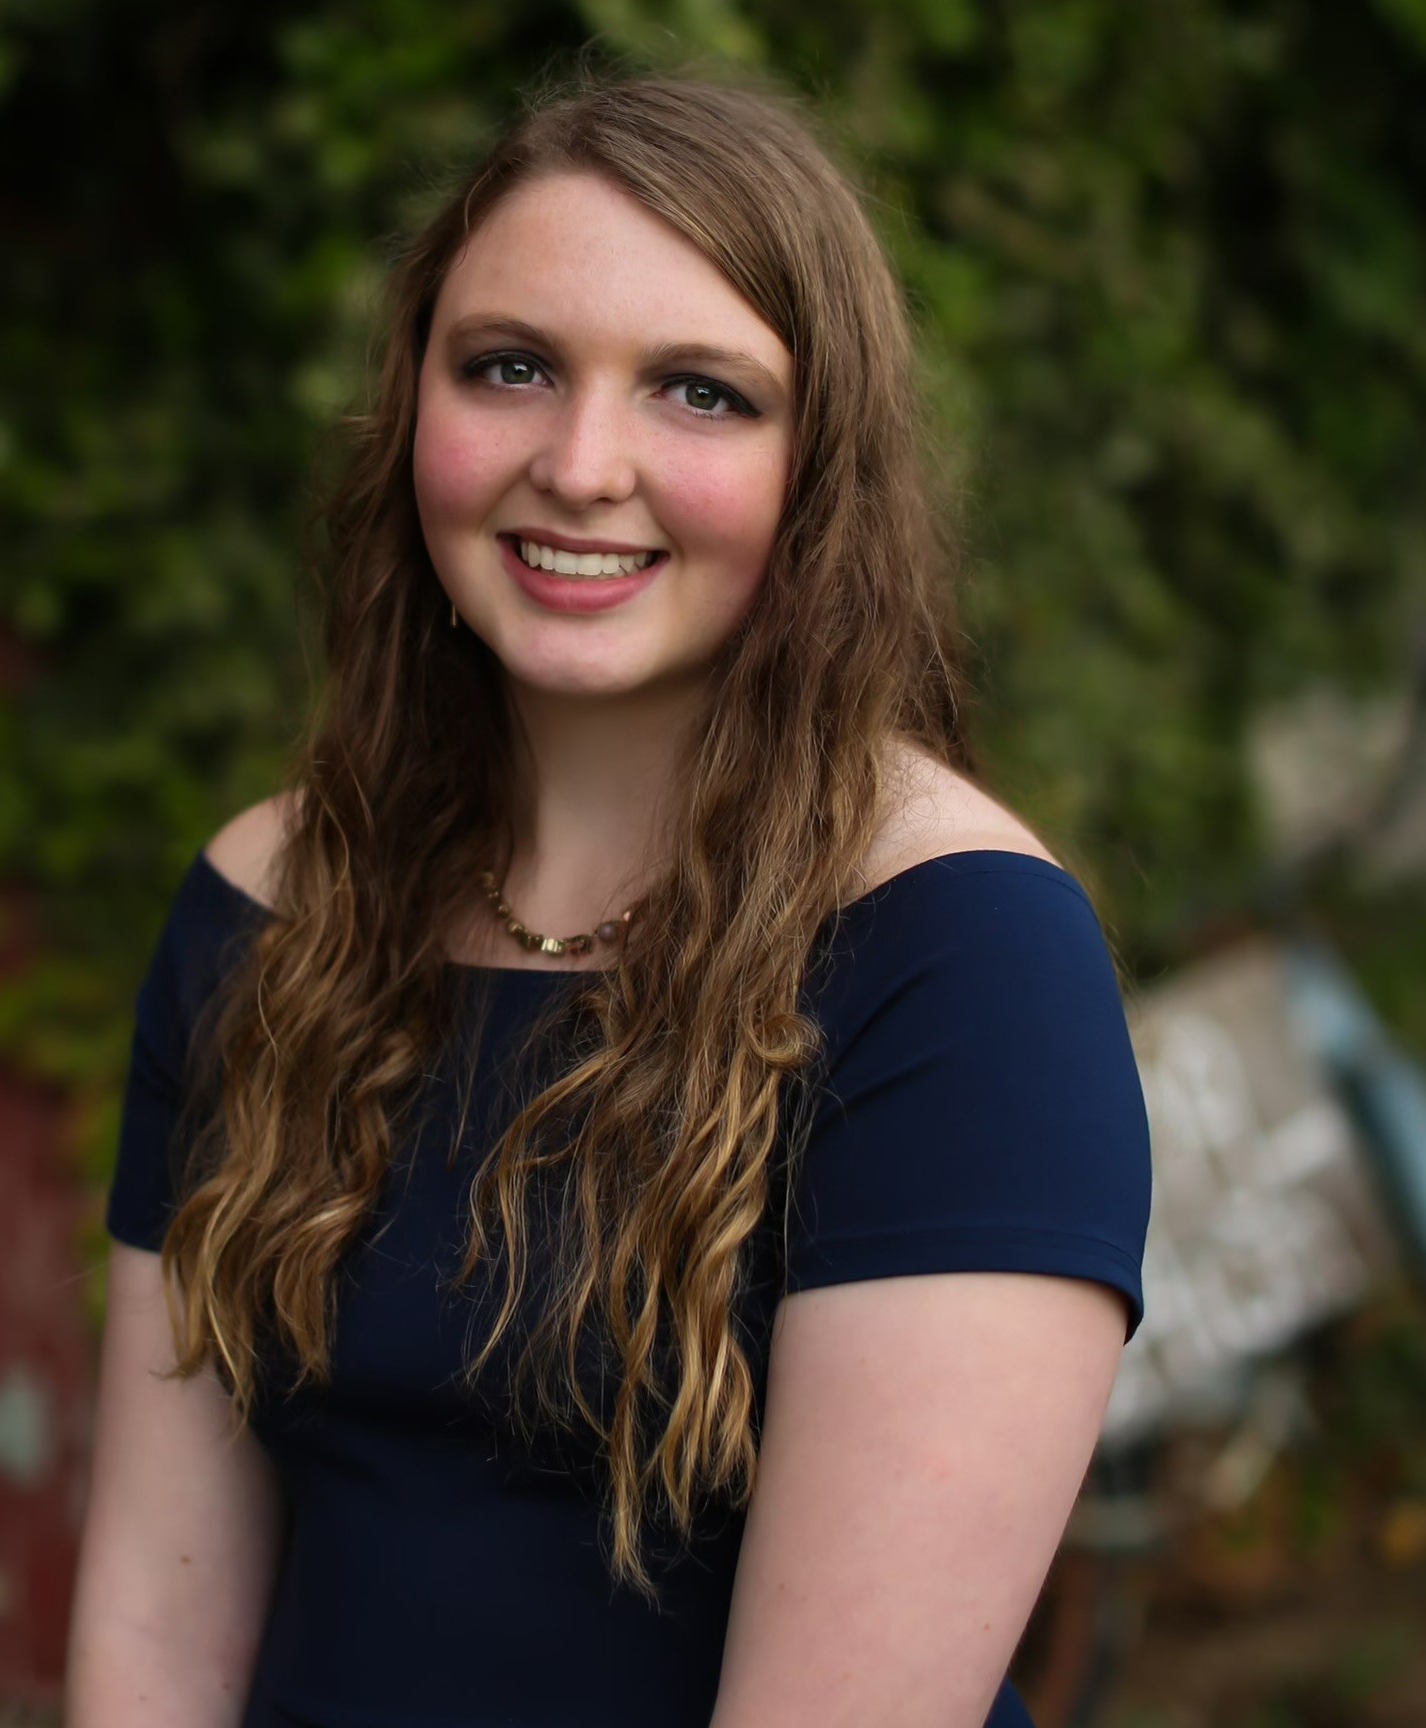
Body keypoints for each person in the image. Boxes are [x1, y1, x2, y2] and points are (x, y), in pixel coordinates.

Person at [65, 70, 1151, 1728]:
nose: (581, 466)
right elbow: (153, 1624)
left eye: (700, 393)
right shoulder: (265, 908)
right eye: (510, 367)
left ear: (823, 466)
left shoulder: (962, 959)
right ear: (410, 407)